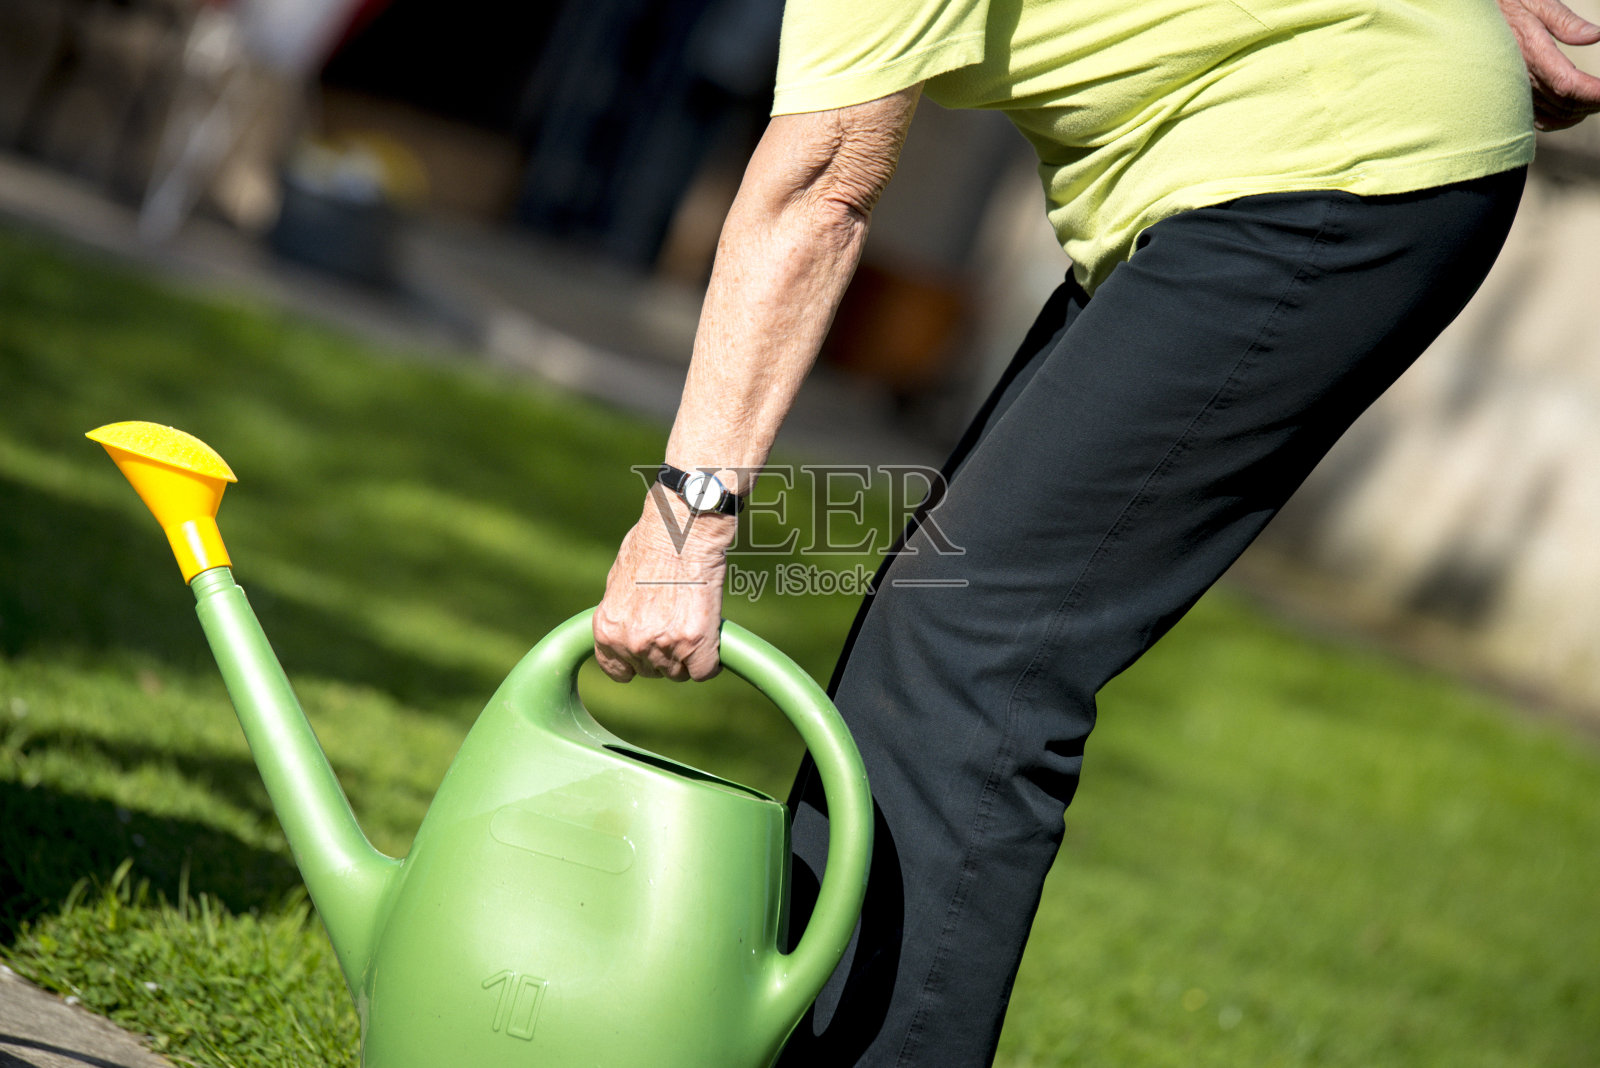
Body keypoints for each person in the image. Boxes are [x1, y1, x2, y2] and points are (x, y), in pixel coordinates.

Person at [593, 0, 1600, 1063]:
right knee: (941, 628)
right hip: (1286, 157)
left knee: (974, 656)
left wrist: (683, 531)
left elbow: (818, 188)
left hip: (1321, 168)